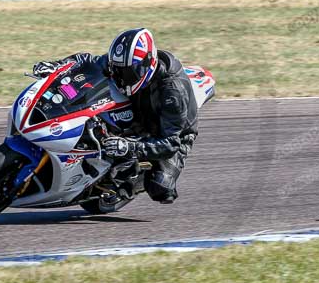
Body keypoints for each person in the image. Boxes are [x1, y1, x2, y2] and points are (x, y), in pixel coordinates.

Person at [32, 28, 198, 204]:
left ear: (146, 65)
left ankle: (127, 183)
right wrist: (57, 66)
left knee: (160, 187)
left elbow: (171, 143)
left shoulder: (172, 92)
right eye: (118, 70)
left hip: (170, 132)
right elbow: (87, 61)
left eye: (128, 73)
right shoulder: (123, 65)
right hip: (138, 108)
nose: (121, 78)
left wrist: (129, 147)